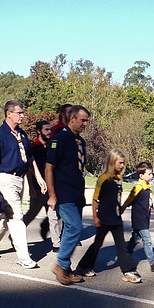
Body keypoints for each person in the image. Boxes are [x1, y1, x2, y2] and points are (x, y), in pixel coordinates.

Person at [0, 101, 47, 269]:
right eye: (19, 113)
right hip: (6, 178)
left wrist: (38, 177)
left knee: (9, 214)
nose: (22, 115)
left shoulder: (22, 134)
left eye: (23, 112)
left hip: (20, 178)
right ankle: (24, 257)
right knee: (17, 216)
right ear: (8, 113)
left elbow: (29, 158)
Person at [75, 149, 142, 283]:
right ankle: (83, 267)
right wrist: (95, 217)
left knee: (121, 245)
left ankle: (128, 270)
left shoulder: (118, 179)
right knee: (97, 243)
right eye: (120, 163)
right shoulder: (103, 178)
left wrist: (120, 209)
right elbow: (95, 200)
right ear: (112, 162)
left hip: (116, 218)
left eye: (124, 163)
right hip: (104, 218)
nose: (122, 166)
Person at [46, 105, 91, 285]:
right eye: (83, 120)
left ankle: (66, 269)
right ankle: (61, 264)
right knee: (75, 227)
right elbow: (49, 167)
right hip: (64, 193)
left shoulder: (80, 142)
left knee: (71, 230)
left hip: (77, 193)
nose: (85, 124)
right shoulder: (60, 139)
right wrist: (52, 195)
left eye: (87, 121)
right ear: (72, 118)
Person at [23, 120, 61, 250]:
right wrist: (31, 188)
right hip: (38, 189)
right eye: (46, 130)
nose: (50, 132)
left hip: (51, 189)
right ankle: (15, 234)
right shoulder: (33, 147)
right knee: (31, 215)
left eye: (51, 130)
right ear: (39, 131)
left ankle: (56, 243)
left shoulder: (52, 146)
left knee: (54, 215)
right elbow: (29, 169)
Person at [123, 161, 154, 272]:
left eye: (152, 174)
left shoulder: (147, 186)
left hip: (145, 217)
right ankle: (153, 263)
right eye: (149, 174)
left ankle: (125, 256)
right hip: (139, 218)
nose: (152, 176)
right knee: (147, 240)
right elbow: (129, 199)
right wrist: (122, 208)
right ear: (141, 175)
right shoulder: (138, 187)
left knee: (135, 239)